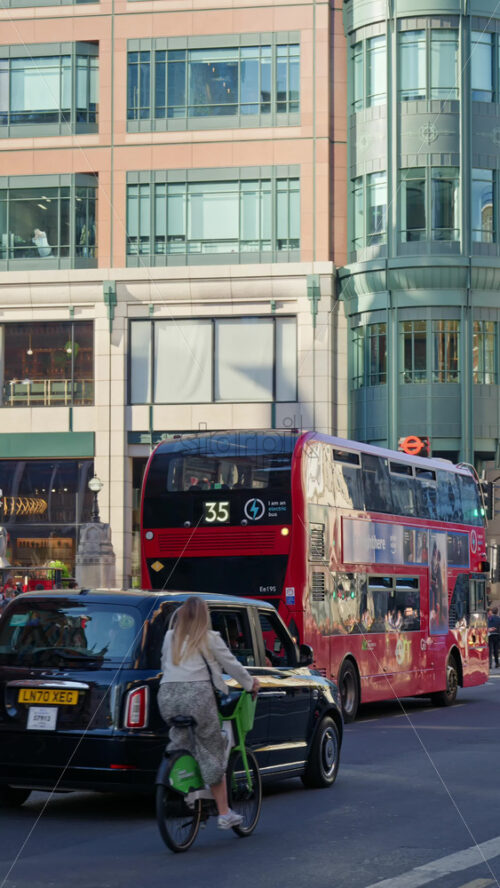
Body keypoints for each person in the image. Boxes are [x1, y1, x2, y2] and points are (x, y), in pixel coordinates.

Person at [157, 596, 260, 830]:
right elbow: (231, 664)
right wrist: (250, 683)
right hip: (197, 697)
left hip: (167, 697)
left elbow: (165, 664)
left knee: (183, 742)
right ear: (205, 616)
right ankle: (224, 813)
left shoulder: (169, 637)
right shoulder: (210, 638)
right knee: (212, 748)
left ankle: (190, 794)